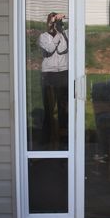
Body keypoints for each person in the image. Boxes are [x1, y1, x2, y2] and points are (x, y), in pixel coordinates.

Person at [38, 12, 68, 150]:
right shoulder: (43, 37)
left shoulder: (65, 34)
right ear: (48, 22)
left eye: (57, 22)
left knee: (63, 108)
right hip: (48, 75)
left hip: (63, 73)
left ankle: (64, 140)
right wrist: (57, 34)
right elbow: (50, 48)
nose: (55, 24)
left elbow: (63, 49)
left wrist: (62, 27)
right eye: (53, 21)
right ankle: (46, 139)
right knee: (49, 109)